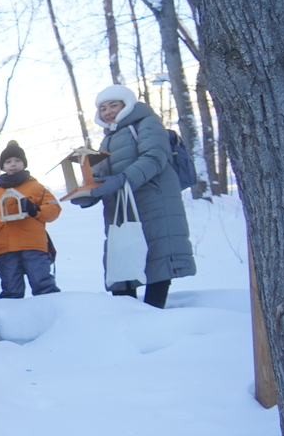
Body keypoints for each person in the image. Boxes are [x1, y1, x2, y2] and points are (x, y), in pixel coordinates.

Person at [71, 85, 195, 308]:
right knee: (123, 257)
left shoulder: (146, 123)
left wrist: (119, 180)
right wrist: (86, 193)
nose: (108, 111)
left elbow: (154, 159)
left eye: (113, 105)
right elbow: (100, 176)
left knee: (157, 255)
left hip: (155, 202)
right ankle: (127, 316)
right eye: (103, 108)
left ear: (126, 104)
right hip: (124, 207)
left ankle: (155, 314)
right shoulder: (107, 140)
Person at [0, 141, 61, 298]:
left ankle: (53, 316)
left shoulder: (36, 187)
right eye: (8, 162)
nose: (13, 165)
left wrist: (36, 210)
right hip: (5, 248)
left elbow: (54, 209)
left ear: (24, 163)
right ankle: (14, 320)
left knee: (43, 285)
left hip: (33, 245)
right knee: (11, 290)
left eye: (17, 161)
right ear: (2, 166)